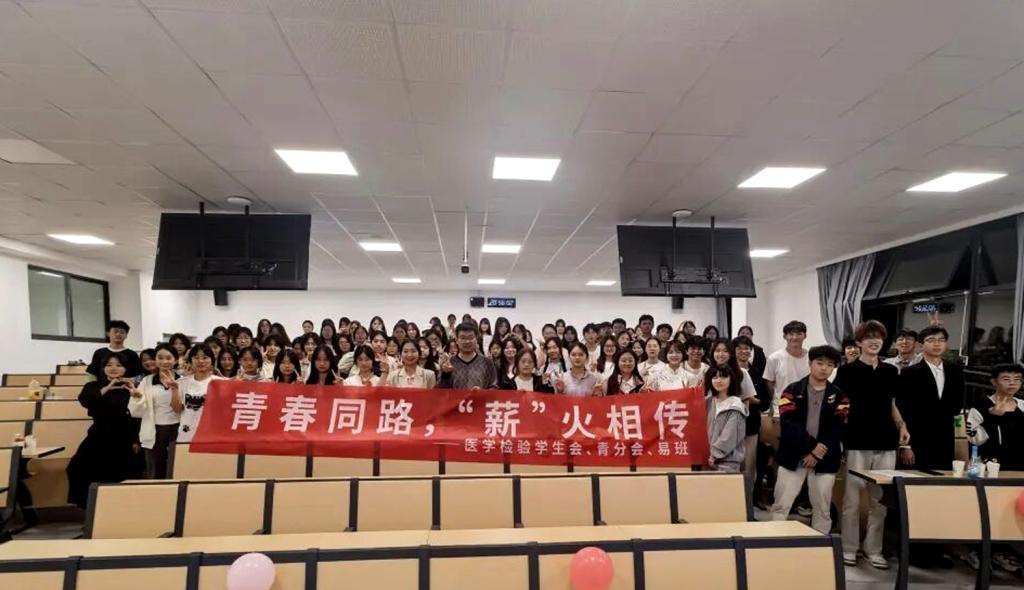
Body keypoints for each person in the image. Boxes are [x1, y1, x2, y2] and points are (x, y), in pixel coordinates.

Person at [833, 320, 910, 569]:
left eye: (878, 337)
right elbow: (840, 408)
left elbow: (892, 403)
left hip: (886, 440)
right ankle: (849, 547)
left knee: (880, 500)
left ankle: (873, 549)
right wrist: (840, 439)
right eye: (868, 337)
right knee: (852, 499)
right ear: (859, 342)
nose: (874, 341)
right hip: (857, 439)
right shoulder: (847, 371)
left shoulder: (891, 371)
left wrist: (902, 426)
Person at [770, 345, 848, 534]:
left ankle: (820, 546)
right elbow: (788, 424)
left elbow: (838, 427)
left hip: (825, 459)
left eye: (829, 365)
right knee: (781, 505)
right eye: (819, 363)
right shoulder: (791, 391)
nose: (824, 368)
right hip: (793, 456)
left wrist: (818, 452)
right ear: (810, 363)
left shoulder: (840, 395)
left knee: (822, 509)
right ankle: (773, 543)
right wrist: (811, 448)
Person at [66, 353, 144, 508]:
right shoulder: (93, 386)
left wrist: (136, 439)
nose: (114, 368)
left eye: (119, 365)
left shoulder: (132, 386)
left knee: (120, 473)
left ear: (125, 368)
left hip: (124, 437)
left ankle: (116, 510)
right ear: (102, 368)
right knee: (76, 468)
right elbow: (86, 401)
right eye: (109, 365)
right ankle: (90, 508)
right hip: (98, 434)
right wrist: (107, 387)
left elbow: (138, 415)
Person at [897, 325, 965, 471]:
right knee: (914, 481)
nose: (937, 344)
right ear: (921, 345)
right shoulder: (909, 373)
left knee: (943, 480)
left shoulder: (955, 371)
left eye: (941, 340)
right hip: (917, 439)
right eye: (931, 340)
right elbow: (903, 409)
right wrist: (906, 446)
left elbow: (957, 403)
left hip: (945, 437)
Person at [128, 344, 182, 479]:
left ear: (175, 360)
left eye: (168, 358)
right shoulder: (147, 381)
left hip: (178, 429)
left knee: (177, 470)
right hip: (154, 430)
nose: (164, 361)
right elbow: (136, 412)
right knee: (155, 472)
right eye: (160, 358)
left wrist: (175, 389)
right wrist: (137, 398)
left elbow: (182, 408)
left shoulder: (183, 380)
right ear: (156, 360)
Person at [966, 363, 1024, 470]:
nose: (1012, 383)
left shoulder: (1022, 405)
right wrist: (992, 417)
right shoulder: (980, 406)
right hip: (992, 464)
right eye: (1006, 379)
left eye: (1017, 379)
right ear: (994, 382)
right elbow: (973, 439)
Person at [176, 344, 225, 442]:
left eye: (205, 358)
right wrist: (174, 389)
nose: (200, 361)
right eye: (196, 357)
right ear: (190, 361)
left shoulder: (222, 383)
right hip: (187, 435)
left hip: (212, 436)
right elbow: (177, 409)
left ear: (212, 360)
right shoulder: (181, 382)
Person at [705, 364, 748, 473]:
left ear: (731, 379)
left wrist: (714, 455)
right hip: (706, 460)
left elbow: (729, 436)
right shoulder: (708, 402)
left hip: (727, 463)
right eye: (715, 377)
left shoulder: (736, 405)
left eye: (723, 377)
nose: (719, 380)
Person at [764, 321, 810, 414]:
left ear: (805, 336)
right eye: (791, 334)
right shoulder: (774, 358)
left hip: (807, 407)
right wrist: (777, 398)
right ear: (784, 336)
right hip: (781, 408)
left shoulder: (811, 358)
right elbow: (769, 382)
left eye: (799, 334)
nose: (795, 337)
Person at [438, 322, 497, 389]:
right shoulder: (449, 363)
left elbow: (494, 387)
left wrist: (482, 393)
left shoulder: (487, 363)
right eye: (463, 338)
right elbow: (439, 390)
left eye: (470, 338)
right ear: (456, 340)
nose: (467, 341)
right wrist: (445, 374)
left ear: (476, 339)